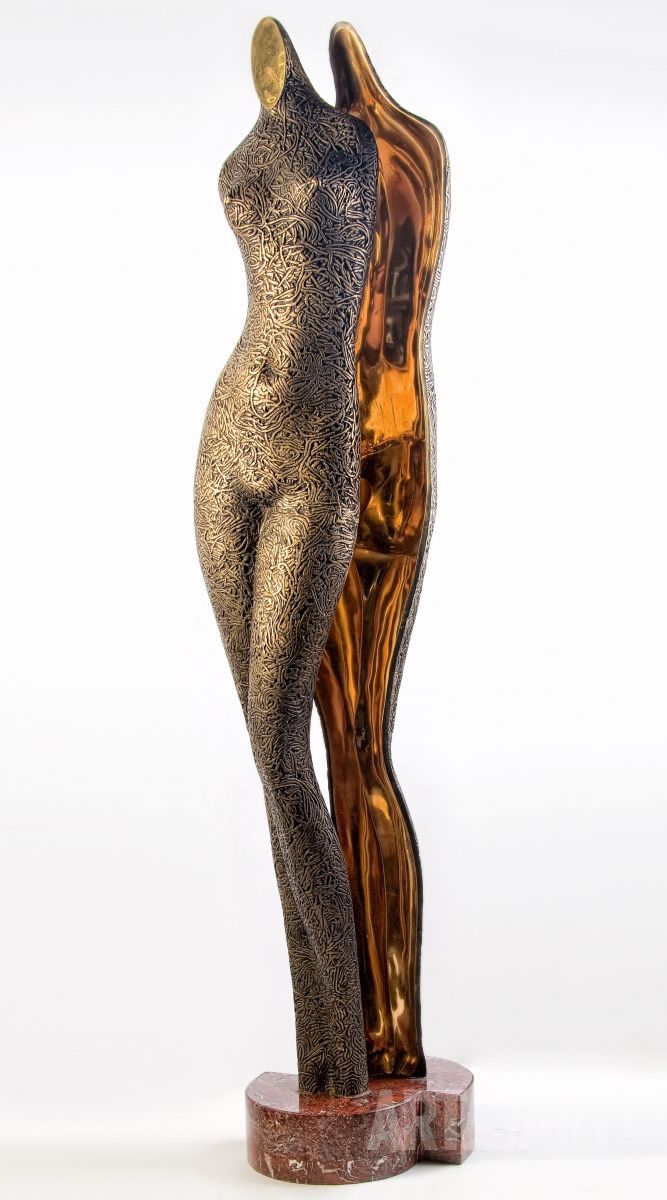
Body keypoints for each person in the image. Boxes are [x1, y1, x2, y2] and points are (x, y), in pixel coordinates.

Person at [193, 17, 377, 1097]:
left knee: (278, 746)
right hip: (228, 443)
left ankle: (348, 1049)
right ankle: (322, 1058)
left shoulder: (353, 142)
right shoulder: (245, 148)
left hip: (315, 451)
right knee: (270, 759)